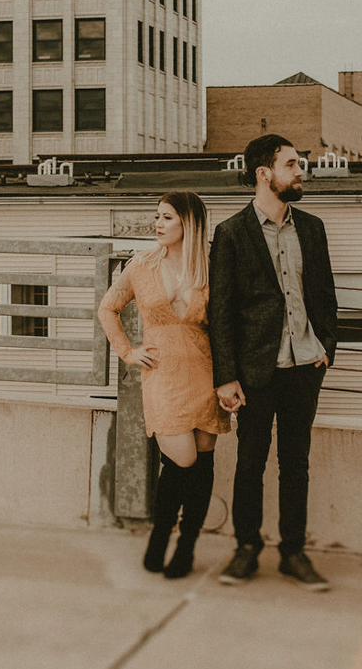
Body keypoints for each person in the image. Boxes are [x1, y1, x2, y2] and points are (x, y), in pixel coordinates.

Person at [208, 134, 337, 591]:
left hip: (306, 367)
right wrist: (226, 377)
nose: (301, 171)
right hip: (257, 372)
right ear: (265, 174)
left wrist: (326, 349)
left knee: (296, 464)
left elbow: (324, 297)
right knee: (250, 463)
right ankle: (246, 549)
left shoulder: (313, 228)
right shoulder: (230, 234)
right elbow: (219, 312)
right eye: (293, 164)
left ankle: (293, 552)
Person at [98, 191, 228, 579]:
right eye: (157, 216)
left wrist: (230, 378)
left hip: (205, 372)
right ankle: (160, 537)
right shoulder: (141, 264)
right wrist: (128, 351)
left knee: (201, 458)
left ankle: (183, 547)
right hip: (162, 375)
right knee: (182, 457)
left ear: (188, 223)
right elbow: (108, 308)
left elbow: (225, 324)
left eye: (166, 217)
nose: (157, 224)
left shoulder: (210, 267)